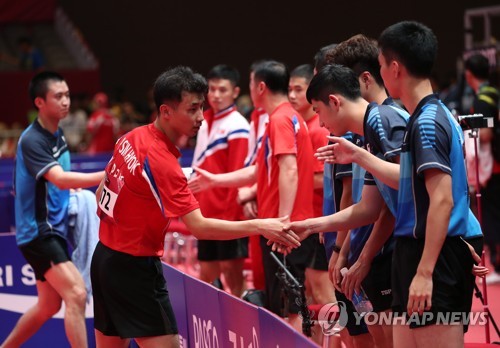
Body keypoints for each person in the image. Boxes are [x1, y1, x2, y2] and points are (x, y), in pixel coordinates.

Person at [90, 66, 300, 348]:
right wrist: (261, 225)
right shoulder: (162, 162)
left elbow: (102, 191)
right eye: (192, 109)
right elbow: (199, 227)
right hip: (134, 269)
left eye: (201, 108)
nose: (200, 117)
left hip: (104, 259)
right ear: (166, 111)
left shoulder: (132, 137)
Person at [282, 64, 408, 348]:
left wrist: (357, 256)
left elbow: (409, 184)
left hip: (402, 251)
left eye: (318, 111)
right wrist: (311, 226)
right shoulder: (366, 132)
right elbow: (370, 208)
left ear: (335, 101)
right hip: (380, 252)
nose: (320, 121)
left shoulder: (382, 121)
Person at [189, 60, 316, 332]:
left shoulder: (280, 119)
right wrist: (215, 180)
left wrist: (283, 221)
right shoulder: (287, 116)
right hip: (284, 227)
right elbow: (260, 170)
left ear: (260, 87)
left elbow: (289, 169)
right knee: (291, 306)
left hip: (284, 230)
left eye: (249, 84)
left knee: (291, 310)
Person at [377, 21, 475, 347]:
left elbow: (444, 200)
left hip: (433, 257)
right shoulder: (427, 117)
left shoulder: (428, 123)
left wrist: (425, 272)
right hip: (415, 252)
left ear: (394, 68)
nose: (380, 75)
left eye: (380, 66)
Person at [2, 71, 104, 348]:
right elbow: (59, 178)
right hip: (39, 232)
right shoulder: (33, 140)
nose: (65, 101)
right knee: (76, 293)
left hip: (54, 229)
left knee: (47, 305)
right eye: (58, 96)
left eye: (68, 95)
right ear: (39, 102)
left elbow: (61, 184)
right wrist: (106, 174)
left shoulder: (56, 133)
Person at [191, 64, 250, 296]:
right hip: (205, 214)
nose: (215, 95)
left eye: (222, 90)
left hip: (229, 216)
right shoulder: (203, 121)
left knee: (233, 278)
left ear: (235, 92)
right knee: (207, 275)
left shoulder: (238, 126)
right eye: (212, 89)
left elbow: (239, 175)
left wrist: (231, 219)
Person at [464, 53, 500, 285]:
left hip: (492, 168)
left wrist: (467, 129)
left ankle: (496, 266)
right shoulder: (495, 93)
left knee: (491, 216)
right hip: (496, 165)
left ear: (468, 74)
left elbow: (486, 134)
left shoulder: (482, 100)